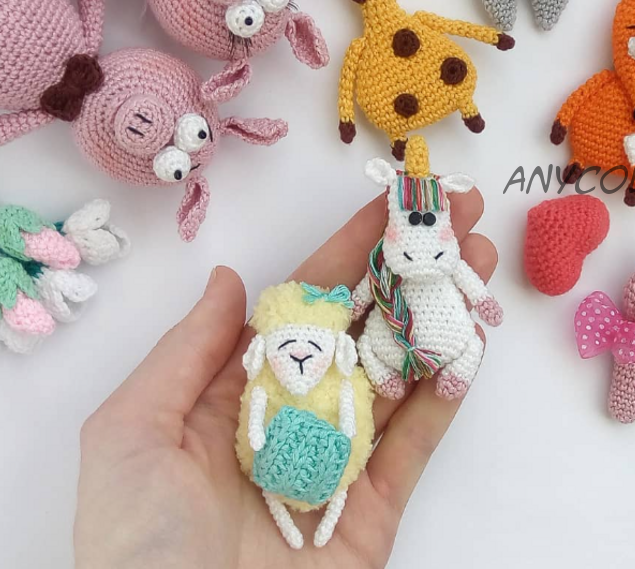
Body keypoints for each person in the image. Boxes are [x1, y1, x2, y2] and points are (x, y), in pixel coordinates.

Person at [74, 189, 498, 567]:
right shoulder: (272, 373)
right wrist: (264, 434)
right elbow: (264, 406)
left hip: (331, 447)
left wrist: (483, 302)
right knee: (374, 354)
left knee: (401, 365)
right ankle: (310, 503)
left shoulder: (340, 367)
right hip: (287, 459)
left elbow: (350, 403)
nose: (300, 352)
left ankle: (330, 500)